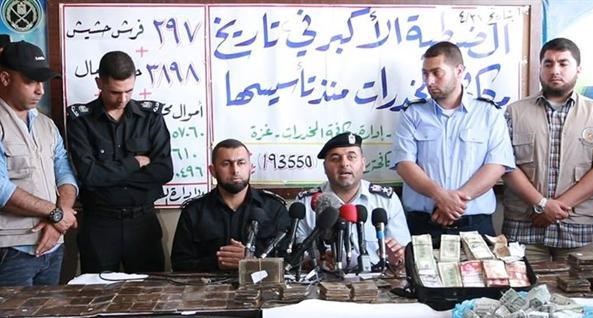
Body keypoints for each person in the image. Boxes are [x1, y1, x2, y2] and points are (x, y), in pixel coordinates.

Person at [503, 38, 593, 262]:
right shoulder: (514, 112)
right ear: (540, 68)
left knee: (580, 285)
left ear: (578, 69)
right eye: (548, 64)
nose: (555, 70)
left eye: (563, 63)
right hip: (524, 229)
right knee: (523, 286)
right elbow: (504, 164)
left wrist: (556, 208)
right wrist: (542, 204)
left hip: (577, 229)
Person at [391, 41, 515, 243]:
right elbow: (404, 164)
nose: (429, 81)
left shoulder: (488, 113)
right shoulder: (412, 113)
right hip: (424, 224)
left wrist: (454, 203)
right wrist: (440, 197)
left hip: (475, 225)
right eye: (425, 74)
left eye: (437, 73)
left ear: (459, 71)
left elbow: (497, 164)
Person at [67, 51, 173, 273]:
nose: (123, 99)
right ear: (99, 83)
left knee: (150, 290)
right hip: (100, 224)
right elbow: (89, 176)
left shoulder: (151, 118)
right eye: (115, 92)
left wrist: (107, 176)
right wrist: (134, 163)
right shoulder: (81, 121)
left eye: (129, 91)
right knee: (97, 291)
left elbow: (164, 171)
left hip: (142, 221)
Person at [0, 41, 78, 286]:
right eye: (31, 81)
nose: (40, 90)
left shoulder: (46, 125)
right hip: (11, 251)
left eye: (42, 82)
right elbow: (1, 190)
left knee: (50, 312)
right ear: (5, 78)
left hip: (53, 246)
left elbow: (65, 173)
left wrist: (58, 222)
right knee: (14, 313)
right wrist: (55, 213)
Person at [295, 132, 411, 269]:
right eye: (335, 158)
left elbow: (403, 255)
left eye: (351, 157)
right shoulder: (306, 202)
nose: (344, 163)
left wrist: (397, 258)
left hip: (376, 278)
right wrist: (317, 259)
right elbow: (297, 255)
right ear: (325, 167)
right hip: (323, 278)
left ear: (363, 164)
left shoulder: (386, 200)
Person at [171, 139, 290, 272]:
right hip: (208, 284)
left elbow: (289, 261)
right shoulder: (194, 211)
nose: (235, 170)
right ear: (213, 170)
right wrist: (217, 262)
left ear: (251, 167)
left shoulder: (274, 208)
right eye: (226, 164)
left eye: (241, 163)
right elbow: (179, 264)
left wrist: (253, 261)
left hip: (260, 283)